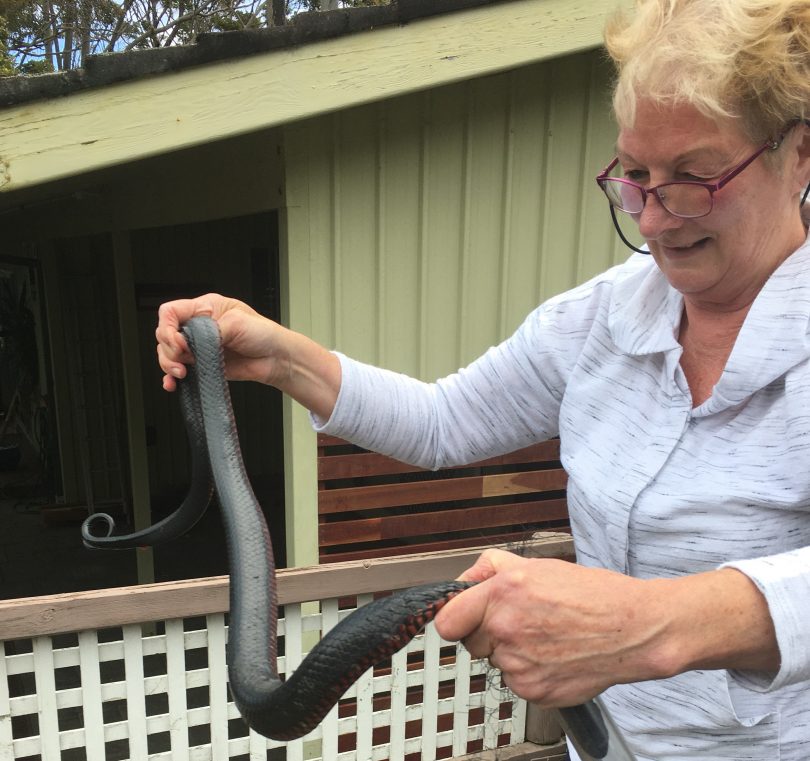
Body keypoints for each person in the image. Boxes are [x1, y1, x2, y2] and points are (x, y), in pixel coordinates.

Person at [155, 0, 810, 757]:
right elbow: (443, 420)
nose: (656, 219)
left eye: (693, 177)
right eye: (635, 176)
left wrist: (648, 625)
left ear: (797, 154)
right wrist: (280, 358)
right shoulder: (602, 318)